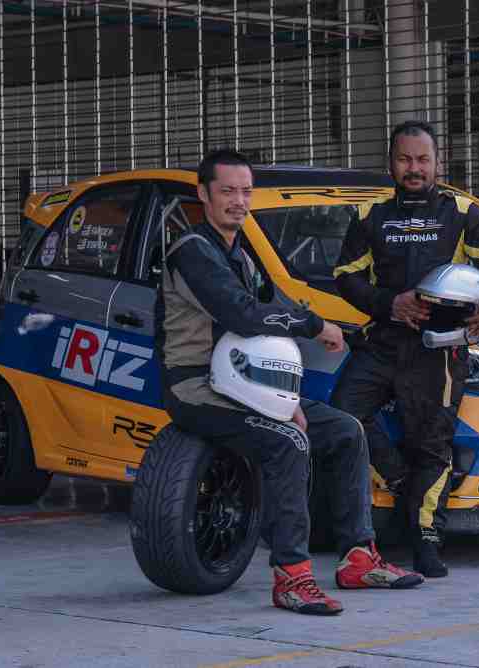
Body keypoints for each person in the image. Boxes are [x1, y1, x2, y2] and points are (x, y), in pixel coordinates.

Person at [157, 148, 423, 616]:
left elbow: (273, 316)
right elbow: (244, 315)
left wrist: (287, 395)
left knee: (346, 431)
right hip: (198, 388)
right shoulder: (192, 252)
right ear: (203, 195)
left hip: (247, 384)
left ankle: (359, 558)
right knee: (289, 441)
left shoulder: (241, 255)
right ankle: (292, 577)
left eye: (245, 191)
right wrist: (314, 325)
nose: (239, 201)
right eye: (227, 191)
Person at [330, 120, 479, 577]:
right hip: (383, 340)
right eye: (404, 159)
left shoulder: (463, 212)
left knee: (433, 444)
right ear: (391, 163)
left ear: (438, 162)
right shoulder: (370, 214)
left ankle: (426, 539)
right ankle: (401, 481)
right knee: (341, 417)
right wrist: (388, 303)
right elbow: (345, 276)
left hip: (440, 349)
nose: (413, 168)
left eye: (422, 159)